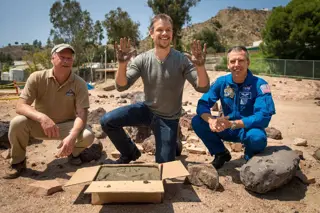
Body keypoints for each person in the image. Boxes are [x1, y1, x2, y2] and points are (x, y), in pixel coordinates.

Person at [100, 14, 210, 164]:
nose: (164, 33)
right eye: (160, 30)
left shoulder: (182, 60)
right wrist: (121, 64)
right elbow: (121, 86)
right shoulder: (143, 59)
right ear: (151, 33)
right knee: (107, 121)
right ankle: (130, 152)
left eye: (168, 30)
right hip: (147, 110)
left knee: (164, 164)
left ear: (172, 33)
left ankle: (174, 143)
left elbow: (202, 87)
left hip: (169, 118)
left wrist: (200, 67)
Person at [3, 43, 94, 179]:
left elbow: (82, 114)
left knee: (88, 135)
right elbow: (20, 106)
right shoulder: (37, 77)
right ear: (52, 58)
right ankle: (18, 162)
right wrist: (42, 118)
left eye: (69, 58)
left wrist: (71, 136)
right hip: (40, 126)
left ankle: (72, 153)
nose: (66, 61)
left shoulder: (79, 83)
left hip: (65, 127)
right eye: (62, 57)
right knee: (17, 123)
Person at [191, 46, 276, 169]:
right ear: (228, 65)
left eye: (241, 60)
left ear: (248, 62)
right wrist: (211, 120)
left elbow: (263, 117)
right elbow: (203, 104)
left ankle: (249, 158)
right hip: (225, 127)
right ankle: (221, 153)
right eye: (232, 61)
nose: (236, 64)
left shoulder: (260, 85)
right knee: (197, 121)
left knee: (257, 138)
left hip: (246, 129)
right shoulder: (221, 82)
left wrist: (234, 124)